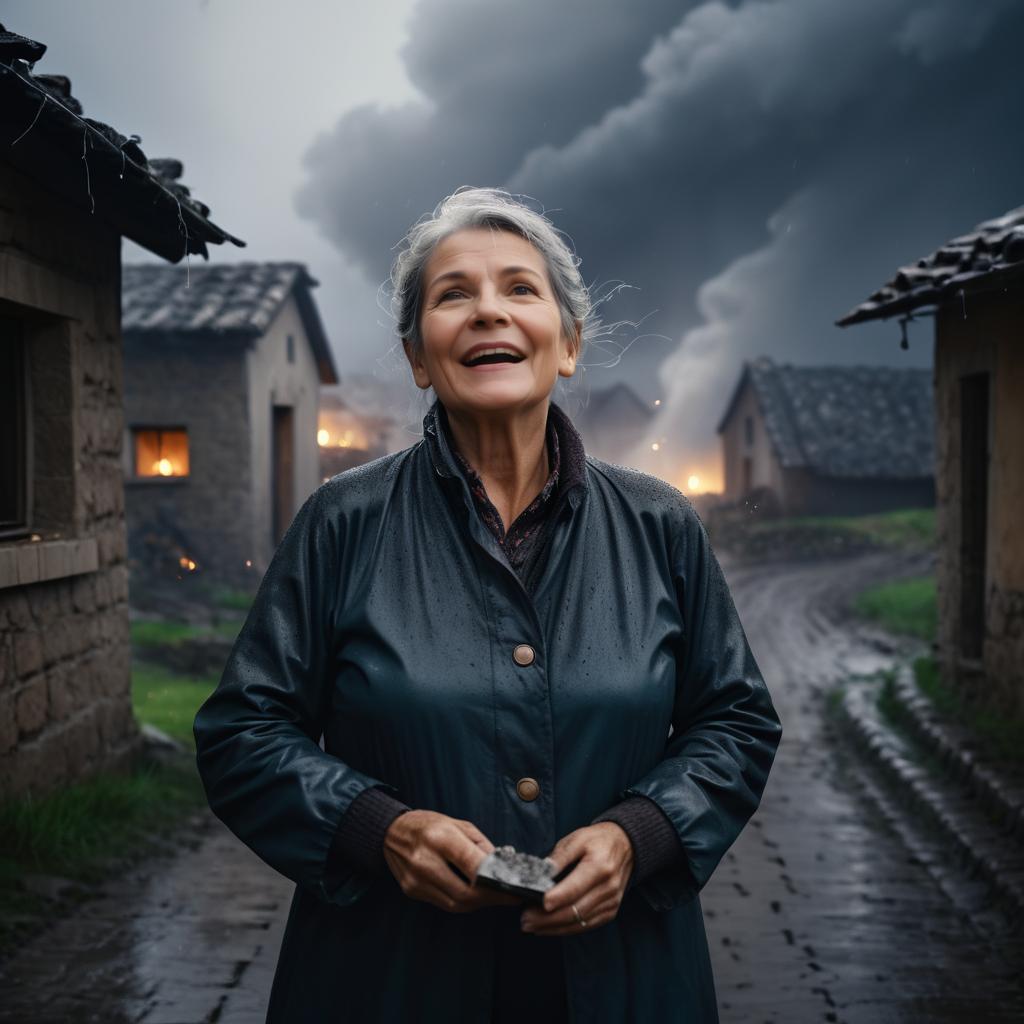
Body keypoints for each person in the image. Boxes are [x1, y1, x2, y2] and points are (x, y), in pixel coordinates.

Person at [193, 186, 782, 1023]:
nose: (486, 312)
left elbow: (736, 721)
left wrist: (639, 836)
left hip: (624, 979)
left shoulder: (659, 525)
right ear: (418, 358)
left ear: (569, 342)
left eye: (519, 288)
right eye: (453, 294)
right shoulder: (343, 522)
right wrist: (378, 830)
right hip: (385, 979)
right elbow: (241, 735)